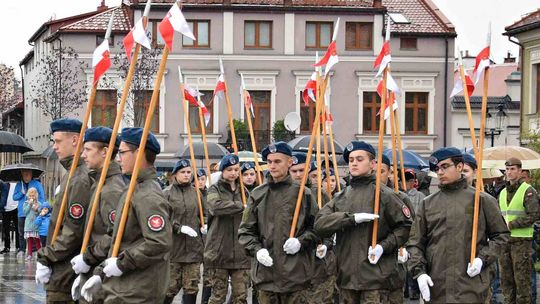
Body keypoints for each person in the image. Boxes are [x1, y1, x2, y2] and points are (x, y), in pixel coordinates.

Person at [79, 128, 172, 303]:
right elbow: (119, 239)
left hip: (138, 290)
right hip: (124, 288)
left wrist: (122, 263)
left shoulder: (148, 195)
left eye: (122, 152)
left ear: (139, 152)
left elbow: (159, 242)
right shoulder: (132, 189)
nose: (118, 158)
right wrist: (100, 273)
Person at [407, 147, 510, 303]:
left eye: (445, 166)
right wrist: (419, 273)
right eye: (436, 168)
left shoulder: (482, 200)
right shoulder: (427, 204)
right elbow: (415, 243)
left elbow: (501, 236)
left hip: (471, 285)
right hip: (436, 285)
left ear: (460, 166)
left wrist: (482, 259)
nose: (440, 172)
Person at [315, 141, 413, 303]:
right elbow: (320, 224)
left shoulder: (385, 195)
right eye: (351, 160)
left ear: (372, 164)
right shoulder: (341, 197)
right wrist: (349, 218)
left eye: (360, 159)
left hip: (375, 278)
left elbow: (406, 227)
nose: (354, 163)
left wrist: (383, 246)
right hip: (346, 277)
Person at [239, 142, 319, 303]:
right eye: (269, 162)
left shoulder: (304, 193)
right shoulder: (258, 194)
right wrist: (257, 251)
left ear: (289, 162)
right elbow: (246, 231)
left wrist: (301, 241)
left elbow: (318, 228)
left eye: (277, 161)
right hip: (266, 275)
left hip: (296, 275)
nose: (272, 166)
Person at [36, 118, 94, 303]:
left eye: (58, 141)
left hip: (66, 269)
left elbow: (72, 231)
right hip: (62, 266)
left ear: (75, 140)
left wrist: (46, 257)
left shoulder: (79, 178)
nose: (54, 146)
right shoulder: (72, 174)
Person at [68, 126, 125, 303]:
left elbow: (115, 235)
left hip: (104, 276)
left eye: (88, 149)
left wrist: (88, 260)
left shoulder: (112, 189)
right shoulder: (100, 182)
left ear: (105, 152)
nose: (83, 154)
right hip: (93, 270)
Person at [205, 154, 250, 304]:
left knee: (240, 296)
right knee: (218, 296)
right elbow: (215, 206)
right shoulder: (214, 189)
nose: (233, 173)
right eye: (229, 169)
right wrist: (239, 207)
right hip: (219, 250)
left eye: (236, 169)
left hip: (240, 251)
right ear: (223, 171)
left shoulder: (244, 191)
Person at [163, 159, 205, 304]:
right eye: (183, 172)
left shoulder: (196, 193)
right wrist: (178, 228)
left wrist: (204, 224)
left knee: (191, 287)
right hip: (174, 249)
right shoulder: (167, 193)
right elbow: (163, 219)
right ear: (175, 174)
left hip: (194, 249)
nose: (187, 175)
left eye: (188, 172)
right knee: (170, 287)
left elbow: (203, 213)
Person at [499, 157, 540, 304]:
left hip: (522, 242)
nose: (509, 172)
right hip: (505, 242)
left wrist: (513, 224)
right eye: (507, 169)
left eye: (513, 169)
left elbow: (534, 214)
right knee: (506, 283)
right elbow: (501, 214)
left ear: (520, 171)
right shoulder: (502, 192)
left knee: (522, 283)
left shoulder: (528, 191)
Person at [14, 168, 45, 256]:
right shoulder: (19, 184)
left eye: (28, 174)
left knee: (34, 231)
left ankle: (35, 249)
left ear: (31, 174)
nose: (26, 177)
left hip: (33, 213)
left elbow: (42, 197)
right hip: (22, 211)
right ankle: (22, 249)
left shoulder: (37, 184)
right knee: (21, 232)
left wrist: (39, 206)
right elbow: (14, 197)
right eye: (24, 175)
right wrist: (22, 193)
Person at [23, 187, 42, 260]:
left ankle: (40, 254)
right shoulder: (26, 203)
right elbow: (25, 212)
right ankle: (29, 254)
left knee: (37, 240)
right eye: (30, 196)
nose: (31, 197)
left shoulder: (39, 203)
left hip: (35, 225)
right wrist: (29, 205)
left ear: (36, 195)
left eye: (33, 196)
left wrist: (37, 210)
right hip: (28, 225)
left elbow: (40, 213)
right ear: (28, 196)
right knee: (29, 240)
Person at [0, 180, 17, 254]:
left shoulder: (19, 183)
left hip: (16, 208)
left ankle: (18, 247)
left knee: (18, 229)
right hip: (5, 208)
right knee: (6, 229)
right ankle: (7, 247)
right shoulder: (3, 183)